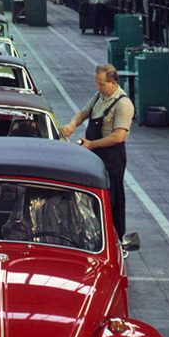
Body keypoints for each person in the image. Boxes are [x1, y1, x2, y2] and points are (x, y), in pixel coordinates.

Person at [61, 63, 133, 236]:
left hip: (111, 157)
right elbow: (82, 114)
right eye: (96, 83)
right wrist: (72, 124)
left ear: (113, 83)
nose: (98, 87)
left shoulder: (123, 104)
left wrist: (91, 145)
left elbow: (118, 136)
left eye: (101, 84)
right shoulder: (98, 97)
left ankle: (116, 237)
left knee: (112, 198)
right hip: (94, 153)